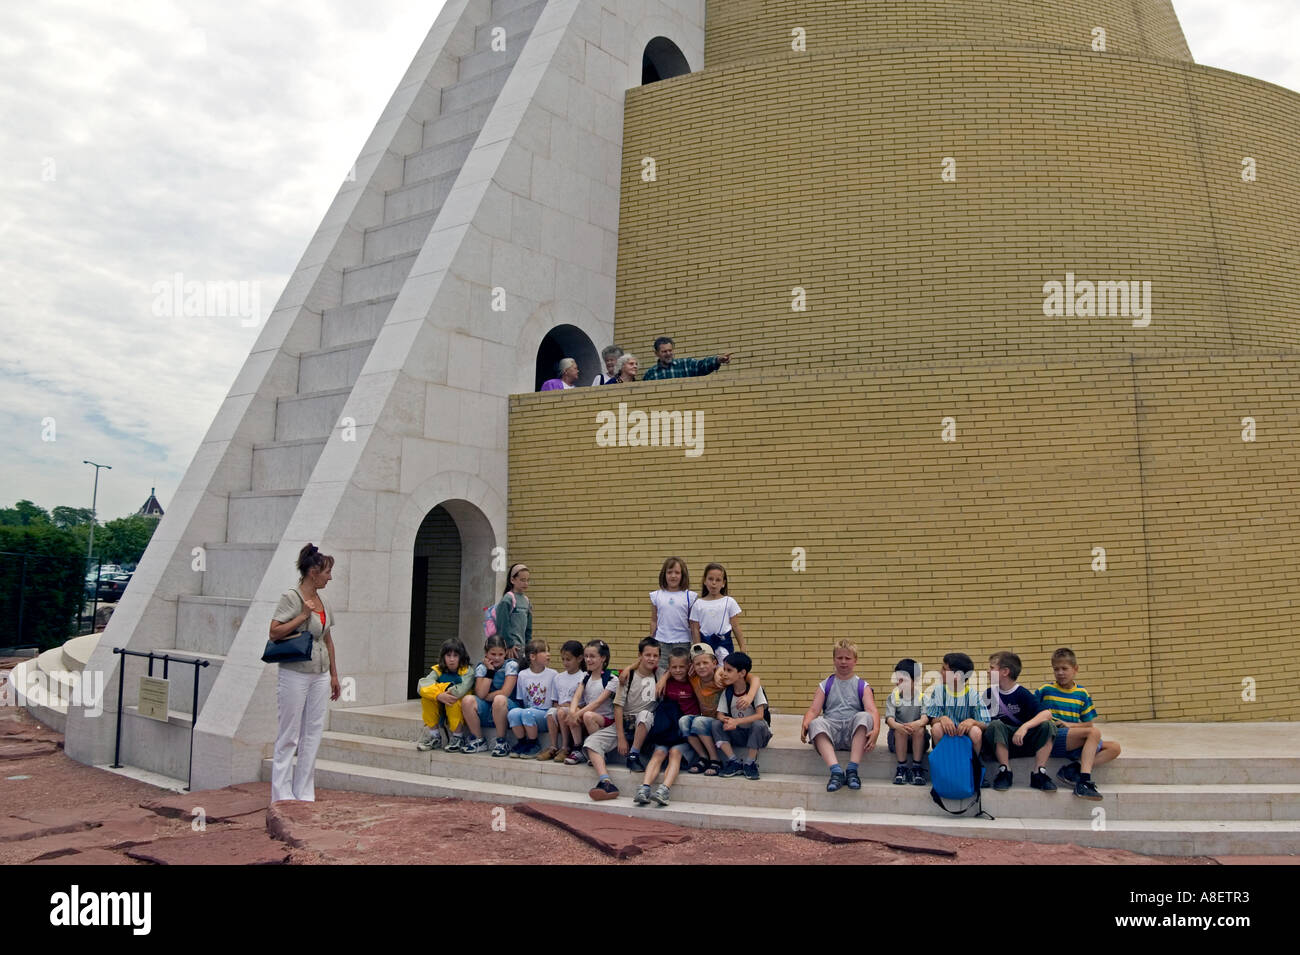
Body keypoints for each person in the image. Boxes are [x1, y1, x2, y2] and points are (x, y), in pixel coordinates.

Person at [269, 543, 340, 803]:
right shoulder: (292, 597)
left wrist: (334, 674)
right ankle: (281, 793)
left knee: (313, 731)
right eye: (327, 572)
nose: (330, 577)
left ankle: (304, 791)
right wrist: (302, 616)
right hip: (294, 672)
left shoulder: (324, 601)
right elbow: (274, 632)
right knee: (289, 733)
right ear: (313, 572)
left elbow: (328, 639)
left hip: (319, 673)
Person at [1036, 647, 1121, 800]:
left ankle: (1073, 769)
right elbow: (1032, 712)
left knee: (1115, 748)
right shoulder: (1045, 689)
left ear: (1075, 669)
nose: (1060, 673)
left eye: (1064, 668)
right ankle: (1084, 781)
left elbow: (1088, 724)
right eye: (1056, 669)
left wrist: (1071, 725)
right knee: (1094, 733)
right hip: (1053, 738)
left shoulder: (1082, 693)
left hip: (1072, 738)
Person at [801, 639, 880, 792]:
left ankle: (852, 770)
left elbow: (872, 710)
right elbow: (813, 710)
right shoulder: (825, 685)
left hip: (854, 734)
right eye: (840, 658)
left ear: (855, 661)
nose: (843, 662)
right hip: (833, 733)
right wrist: (806, 722)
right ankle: (836, 772)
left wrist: (876, 730)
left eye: (848, 658)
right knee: (816, 723)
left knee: (864, 717)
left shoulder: (863, 686)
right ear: (834, 660)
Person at [983, 651, 1057, 792]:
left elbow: (1047, 713)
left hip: (1023, 741)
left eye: (992, 668)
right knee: (996, 724)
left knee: (1048, 725)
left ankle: (1039, 772)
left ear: (1005, 671)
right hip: (1001, 742)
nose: (988, 671)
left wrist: (1024, 727)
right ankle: (1005, 771)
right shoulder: (989, 694)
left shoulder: (1021, 693)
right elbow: (983, 721)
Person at [633, 646, 696, 806]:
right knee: (659, 752)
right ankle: (644, 788)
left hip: (685, 734)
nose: (678, 670)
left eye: (682, 667)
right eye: (673, 667)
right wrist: (665, 677)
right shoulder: (665, 681)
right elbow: (642, 663)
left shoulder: (694, 682)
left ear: (689, 666)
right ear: (668, 668)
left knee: (675, 753)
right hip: (667, 731)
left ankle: (664, 790)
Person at [595, 637, 661, 776]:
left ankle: (633, 755)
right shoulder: (628, 676)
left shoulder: (659, 674)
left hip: (646, 723)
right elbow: (618, 706)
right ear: (639, 656)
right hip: (625, 722)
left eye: (655, 656)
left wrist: (664, 679)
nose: (651, 658)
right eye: (647, 655)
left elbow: (672, 671)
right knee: (591, 743)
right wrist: (620, 737)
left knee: (646, 715)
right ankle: (604, 779)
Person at [567, 640, 618, 794]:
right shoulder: (586, 677)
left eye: (593, 656)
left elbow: (597, 703)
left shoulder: (611, 679)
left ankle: (598, 751)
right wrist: (571, 712)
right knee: (565, 711)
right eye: (586, 656)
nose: (588, 660)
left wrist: (577, 713)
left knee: (588, 715)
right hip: (589, 715)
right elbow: (577, 696)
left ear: (603, 658)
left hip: (605, 720)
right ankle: (577, 749)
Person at [711, 652, 770, 779]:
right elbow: (719, 715)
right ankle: (734, 761)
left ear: (742, 673)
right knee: (716, 724)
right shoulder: (728, 691)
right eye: (724, 669)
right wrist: (728, 721)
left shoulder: (754, 690)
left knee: (758, 724)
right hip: (738, 733)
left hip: (758, 735)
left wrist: (737, 721)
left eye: (729, 670)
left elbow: (760, 715)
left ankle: (750, 763)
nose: (724, 673)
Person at [459, 635, 520, 756]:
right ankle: (478, 740)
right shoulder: (482, 667)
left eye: (501, 654)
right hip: (489, 709)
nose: (497, 658)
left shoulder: (511, 665)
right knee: (467, 700)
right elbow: (480, 693)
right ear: (486, 653)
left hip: (507, 707)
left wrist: (487, 696)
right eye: (493, 654)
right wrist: (490, 671)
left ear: (506, 653)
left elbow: (505, 692)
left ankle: (501, 741)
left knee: (499, 699)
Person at [923, 653, 990, 760]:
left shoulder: (973, 695)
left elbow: (986, 723)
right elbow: (931, 719)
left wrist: (972, 722)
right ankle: (944, 765)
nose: (941, 672)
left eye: (944, 669)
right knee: (936, 728)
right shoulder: (939, 691)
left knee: (976, 731)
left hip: (965, 740)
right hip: (945, 739)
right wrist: (941, 718)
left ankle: (972, 766)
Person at [416, 637, 473, 751]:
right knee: (427, 698)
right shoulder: (438, 670)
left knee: (452, 698)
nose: (451, 659)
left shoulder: (467, 671)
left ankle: (458, 737)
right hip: (441, 704)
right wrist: (438, 695)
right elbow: (421, 686)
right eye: (448, 656)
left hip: (461, 709)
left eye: (455, 656)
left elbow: (458, 691)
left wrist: (441, 690)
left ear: (461, 657)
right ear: (443, 657)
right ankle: (435, 736)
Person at [508, 639, 558, 759]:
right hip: (528, 712)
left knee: (528, 713)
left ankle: (534, 743)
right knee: (513, 713)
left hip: (545, 715)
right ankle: (522, 742)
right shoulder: (522, 675)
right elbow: (522, 700)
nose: (548, 654)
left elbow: (555, 700)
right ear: (532, 656)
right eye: (545, 651)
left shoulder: (553, 674)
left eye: (548, 651)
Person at [647, 556, 696, 674]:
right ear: (664, 574)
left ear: (682, 575)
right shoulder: (657, 596)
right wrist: (651, 639)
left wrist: (695, 644)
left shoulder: (690, 596)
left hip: (683, 642)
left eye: (677, 573)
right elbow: (654, 620)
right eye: (669, 572)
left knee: (680, 672)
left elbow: (693, 624)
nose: (673, 576)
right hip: (662, 641)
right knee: (661, 672)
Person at [885, 657, 930, 786]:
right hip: (897, 740)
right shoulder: (893, 698)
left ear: (914, 680)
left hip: (919, 739)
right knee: (899, 730)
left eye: (902, 680)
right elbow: (890, 720)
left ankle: (917, 767)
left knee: (920, 729)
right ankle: (902, 767)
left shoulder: (922, 697)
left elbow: (925, 718)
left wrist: (916, 724)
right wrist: (899, 726)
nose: (898, 683)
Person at [689, 562, 746, 662]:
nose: (714, 583)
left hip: (724, 646)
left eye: (718, 580)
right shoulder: (698, 604)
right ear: (704, 581)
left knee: (724, 674)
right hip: (705, 648)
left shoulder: (729, 602)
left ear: (723, 583)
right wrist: (697, 652)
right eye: (710, 579)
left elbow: (736, 626)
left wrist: (743, 648)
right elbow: (695, 630)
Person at [542, 639, 587, 761]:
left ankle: (565, 747)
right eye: (563, 659)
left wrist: (569, 706)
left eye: (568, 659)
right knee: (551, 713)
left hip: (575, 711)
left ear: (579, 658)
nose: (565, 663)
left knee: (562, 712)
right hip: (561, 708)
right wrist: (558, 706)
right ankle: (553, 747)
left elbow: (584, 701)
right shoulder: (558, 677)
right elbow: (555, 701)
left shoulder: (583, 676)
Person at [639, 336, 731, 381]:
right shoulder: (650, 375)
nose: (668, 354)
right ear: (656, 353)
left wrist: (718, 360)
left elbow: (701, 365)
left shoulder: (685, 365)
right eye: (664, 351)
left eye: (670, 350)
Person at [493, 563, 533, 659]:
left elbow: (528, 628)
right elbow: (502, 625)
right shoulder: (508, 599)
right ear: (512, 580)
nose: (526, 583)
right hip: (511, 649)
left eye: (528, 580)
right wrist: (509, 644)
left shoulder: (527, 601)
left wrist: (528, 645)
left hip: (522, 649)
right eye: (522, 580)